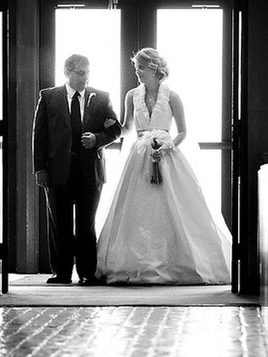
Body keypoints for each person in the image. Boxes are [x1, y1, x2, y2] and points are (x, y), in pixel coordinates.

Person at [96, 48, 231, 284]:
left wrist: (168, 146)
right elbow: (128, 128)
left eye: (142, 67)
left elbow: (184, 131)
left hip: (167, 157)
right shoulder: (131, 95)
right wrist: (112, 126)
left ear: (155, 68)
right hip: (139, 157)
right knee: (137, 209)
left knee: (175, 209)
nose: (137, 72)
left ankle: (179, 262)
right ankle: (134, 263)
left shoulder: (172, 96)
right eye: (136, 67)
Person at [33, 54, 122, 285]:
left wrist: (97, 139)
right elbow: (39, 135)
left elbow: (116, 130)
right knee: (60, 223)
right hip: (57, 170)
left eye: (88, 72)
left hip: (89, 171)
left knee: (86, 224)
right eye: (81, 73)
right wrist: (40, 168)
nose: (86, 77)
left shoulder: (101, 97)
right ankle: (61, 273)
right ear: (67, 73)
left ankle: (87, 273)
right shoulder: (49, 97)